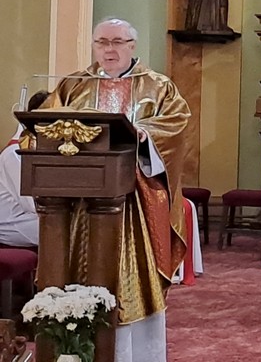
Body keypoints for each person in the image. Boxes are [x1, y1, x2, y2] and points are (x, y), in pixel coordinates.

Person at [42, 18, 190, 362]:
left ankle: (134, 354)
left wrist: (145, 133)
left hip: (135, 202)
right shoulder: (74, 85)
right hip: (79, 200)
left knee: (133, 277)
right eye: (102, 42)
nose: (109, 49)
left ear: (132, 46)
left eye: (117, 42)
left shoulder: (158, 86)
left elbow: (177, 124)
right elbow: (45, 123)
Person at [0, 90, 49, 247]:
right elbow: (32, 204)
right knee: (62, 228)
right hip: (11, 223)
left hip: (28, 218)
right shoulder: (14, 153)